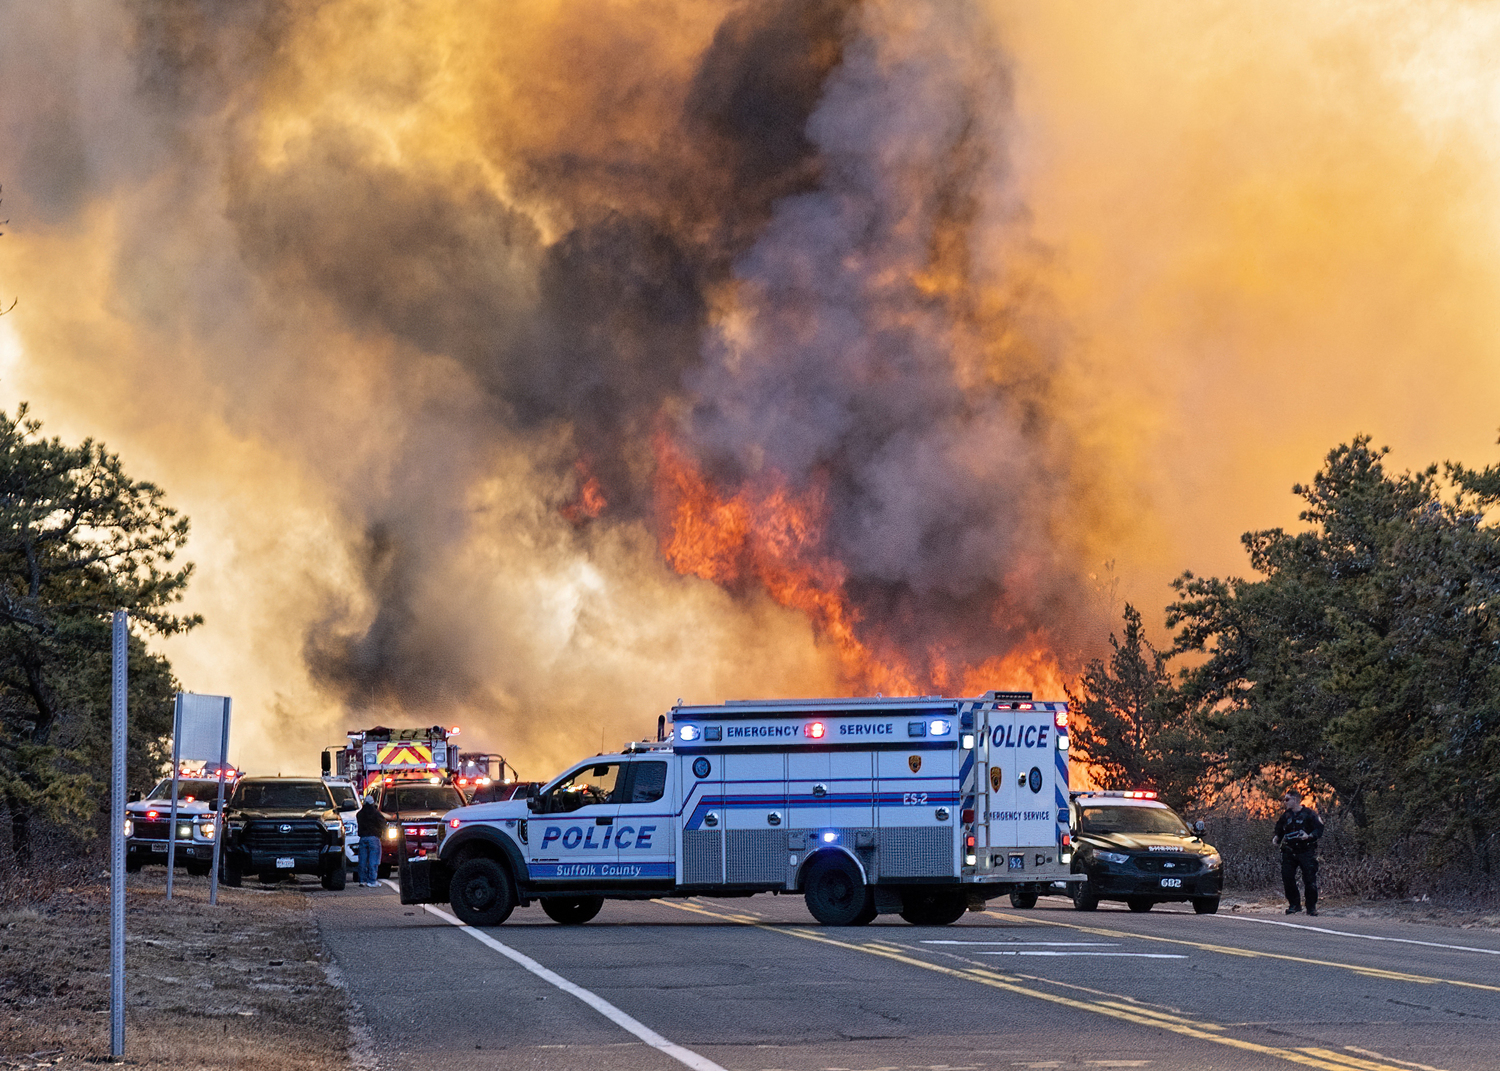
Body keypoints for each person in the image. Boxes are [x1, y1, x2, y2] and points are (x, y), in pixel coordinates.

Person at [1272, 788, 1323, 915]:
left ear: (1295, 800)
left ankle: (1311, 907)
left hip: (1306, 850)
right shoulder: (1286, 815)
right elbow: (1279, 829)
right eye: (1285, 800)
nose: (1285, 802)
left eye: (1287, 799)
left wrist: (1309, 836)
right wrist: (1277, 838)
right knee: (1287, 877)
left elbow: (1319, 829)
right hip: (1290, 851)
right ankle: (1294, 904)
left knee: (1309, 879)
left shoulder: (1309, 814)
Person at [356, 792, 386, 888]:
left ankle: (362, 880)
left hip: (363, 838)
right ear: (373, 803)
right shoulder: (376, 813)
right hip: (374, 838)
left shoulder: (359, 814)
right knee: (374, 860)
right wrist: (382, 832)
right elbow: (383, 823)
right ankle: (372, 880)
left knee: (362, 860)